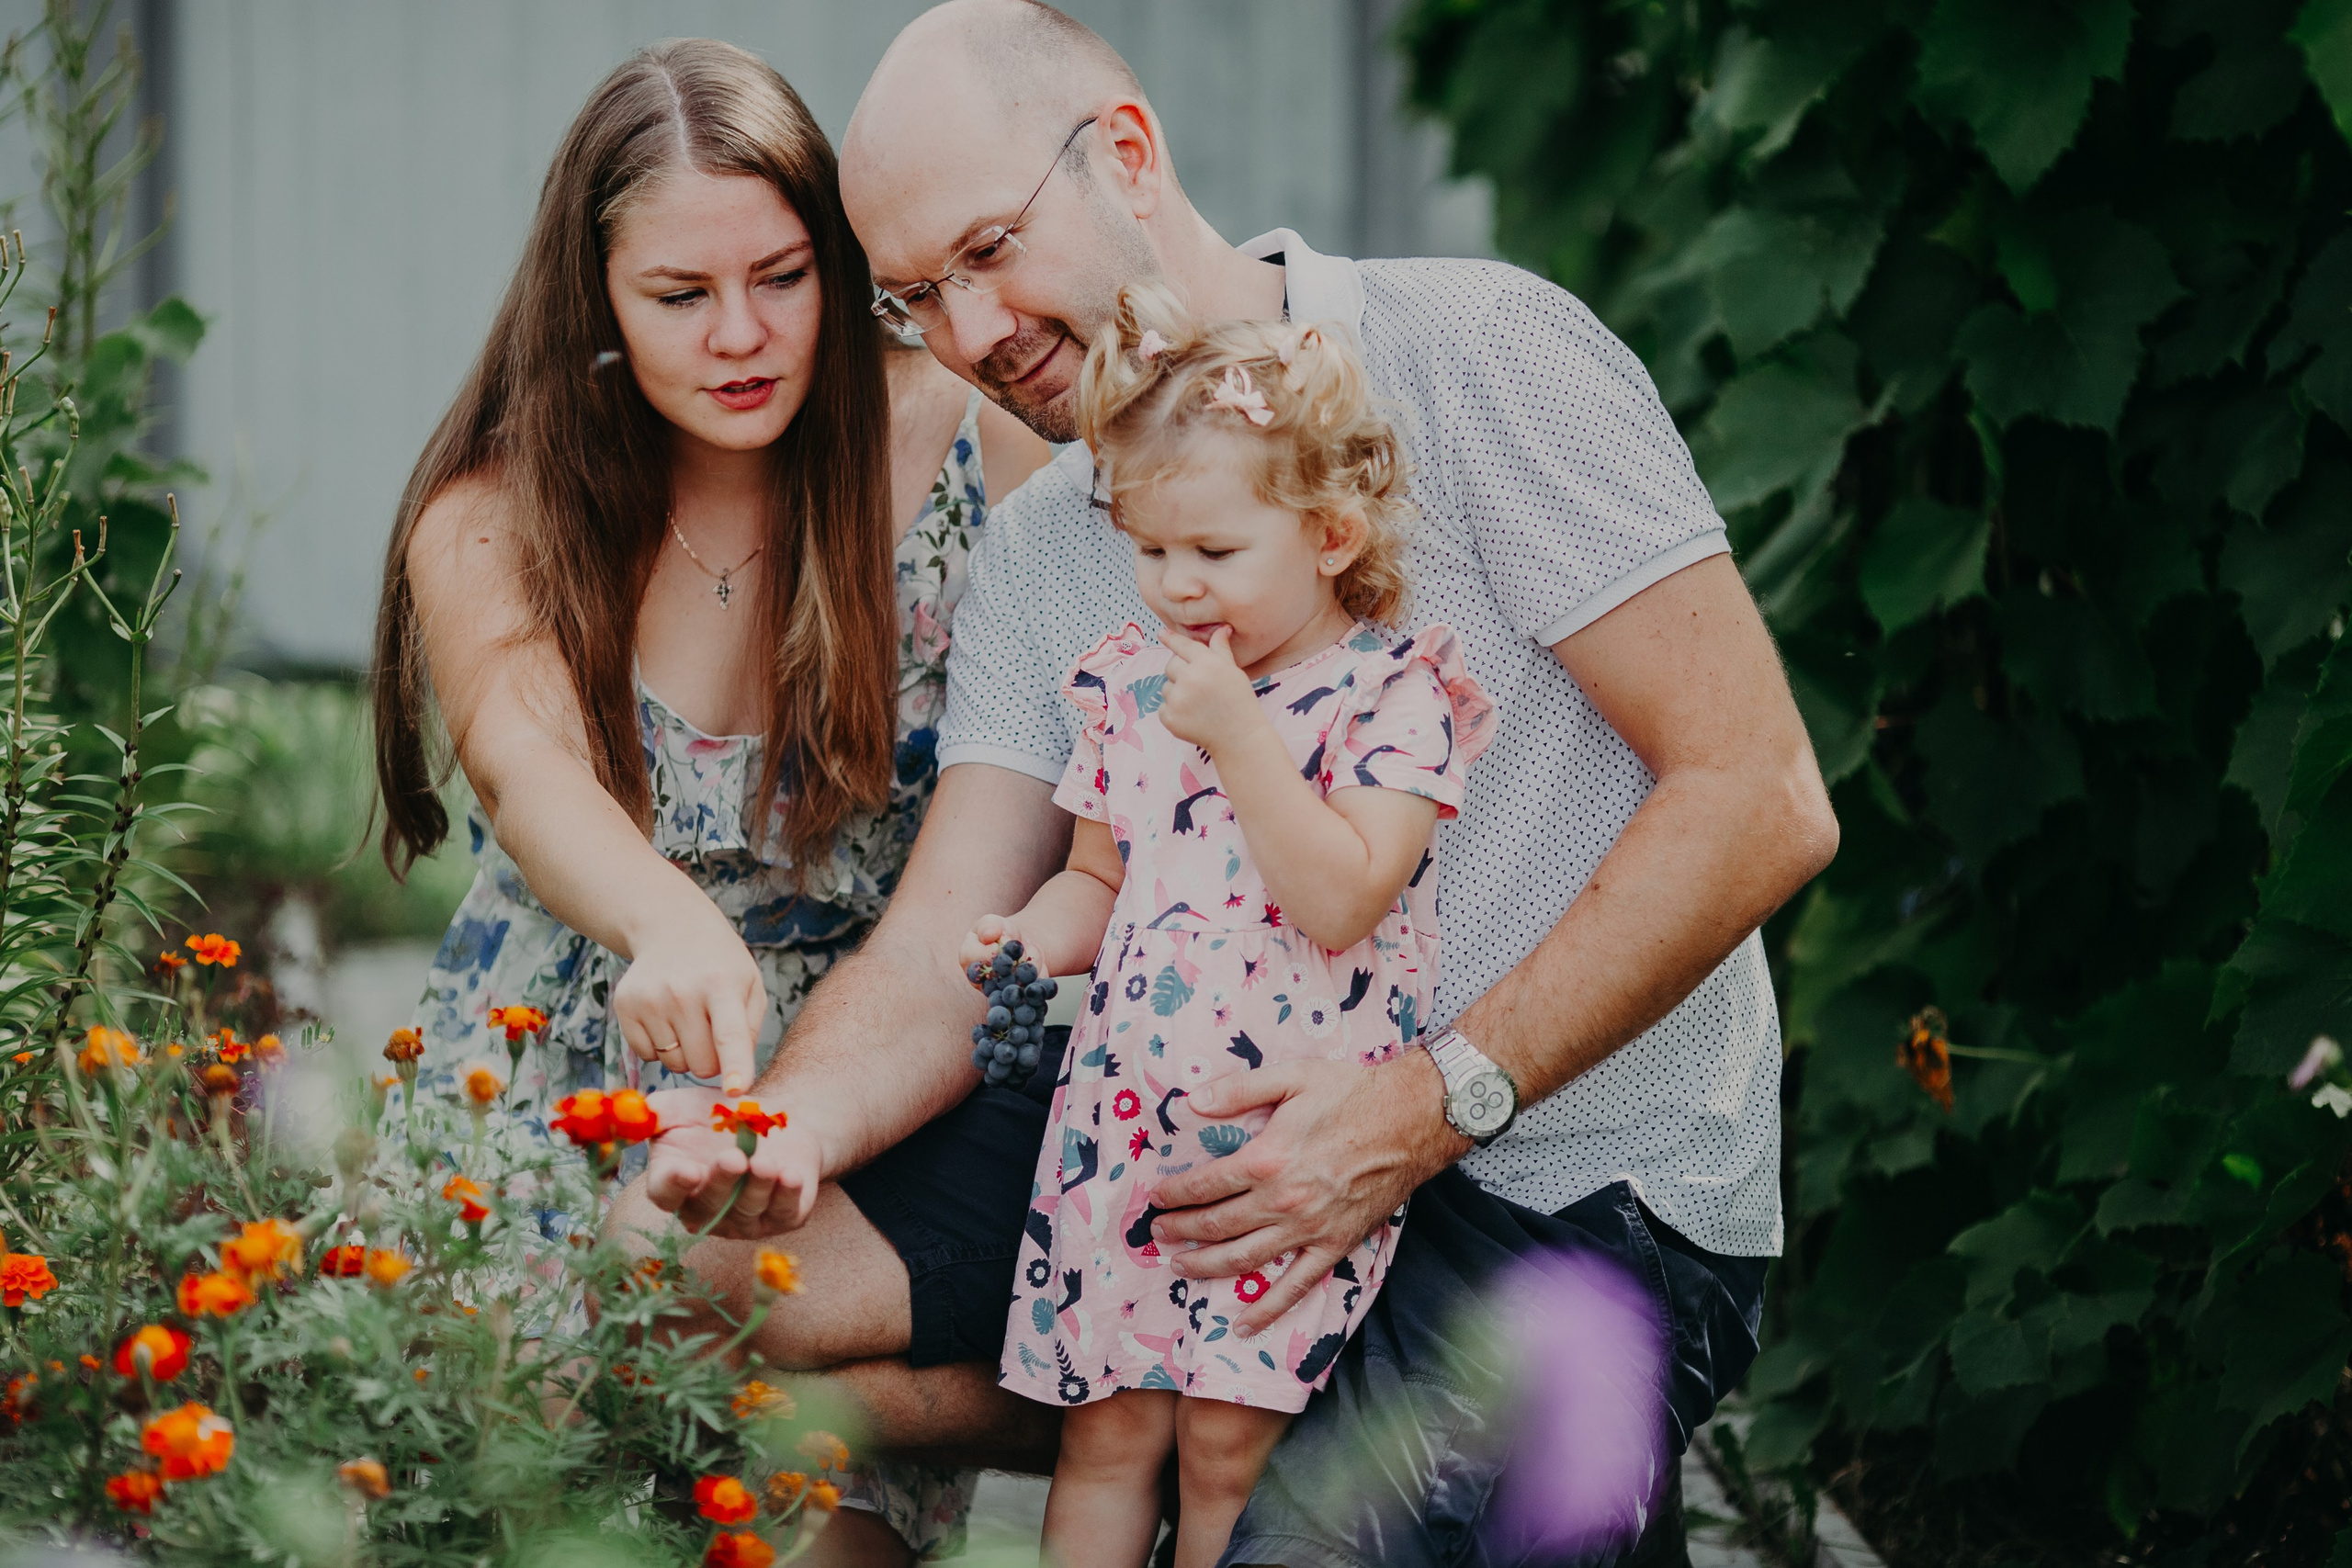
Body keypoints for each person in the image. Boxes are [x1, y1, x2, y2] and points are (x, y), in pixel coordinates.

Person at [615, 5, 1840, 1563]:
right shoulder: (1051, 543)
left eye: (989, 250)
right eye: (915, 297)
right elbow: (940, 945)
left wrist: (1415, 1109)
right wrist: (777, 1130)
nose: (970, 331)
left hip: (1553, 1178)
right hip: (1177, 1126)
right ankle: (1143, 1403)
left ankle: (1408, 1472)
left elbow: (1759, 792)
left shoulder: (1476, 353)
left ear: (1126, 154)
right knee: (695, 1266)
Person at [370, 39, 1048, 1179]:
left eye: (781, 277)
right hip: (553, 1075)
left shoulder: (976, 443)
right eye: (681, 295)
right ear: (595, 294)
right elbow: (528, 771)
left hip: (884, 1070)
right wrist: (667, 921)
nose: (740, 335)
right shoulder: (491, 516)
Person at [967, 284, 1495, 1568]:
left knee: (1222, 1447)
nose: (1177, 585)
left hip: (1281, 1161)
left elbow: (1345, 895)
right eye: (1152, 552)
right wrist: (1028, 935)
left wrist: (1241, 738)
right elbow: (1098, 879)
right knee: (1105, 1433)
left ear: (1329, 534)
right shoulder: (1130, 685)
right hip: (1123, 1135)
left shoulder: (1387, 697)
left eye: (1213, 551)